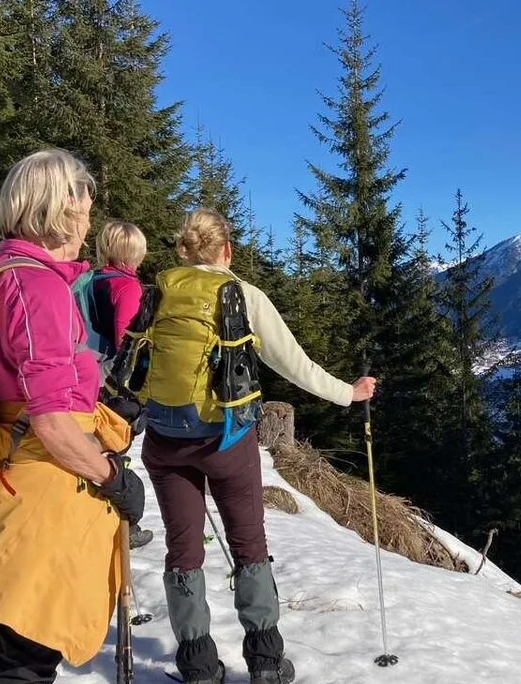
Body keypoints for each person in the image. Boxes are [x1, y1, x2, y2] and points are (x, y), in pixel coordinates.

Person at [0, 149, 146, 683]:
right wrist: (113, 478)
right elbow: (52, 422)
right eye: (84, 200)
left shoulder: (11, 273)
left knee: (17, 649)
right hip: (41, 490)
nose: (90, 215)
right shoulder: (37, 287)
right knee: (26, 658)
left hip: (22, 476)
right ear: (60, 205)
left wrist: (101, 402)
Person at [129, 208, 375, 684]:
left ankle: (198, 666)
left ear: (183, 248)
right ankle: (265, 662)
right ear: (227, 251)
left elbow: (129, 359)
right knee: (249, 546)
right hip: (226, 441)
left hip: (164, 441)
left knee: (183, 551)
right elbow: (294, 364)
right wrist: (349, 393)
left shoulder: (157, 293)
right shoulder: (242, 294)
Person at [87, 219, 154, 550]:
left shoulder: (93, 280)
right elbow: (126, 339)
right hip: (111, 381)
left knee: (98, 446)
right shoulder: (128, 287)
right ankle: (122, 524)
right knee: (114, 447)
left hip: (86, 373)